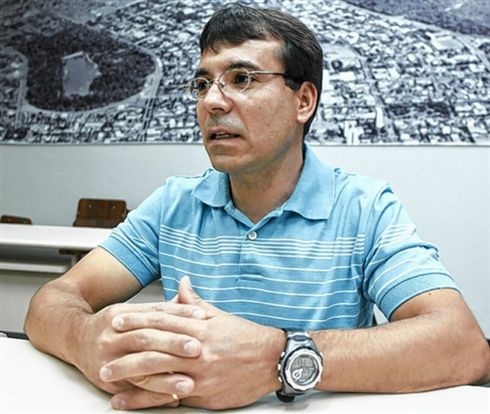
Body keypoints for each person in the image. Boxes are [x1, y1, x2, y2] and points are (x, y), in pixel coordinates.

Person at [25, 3, 489, 411]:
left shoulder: (363, 208)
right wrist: (84, 339)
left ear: (303, 100)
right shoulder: (174, 203)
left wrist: (277, 359)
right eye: (202, 83)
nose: (211, 101)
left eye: (242, 79)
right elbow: (53, 301)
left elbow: (462, 345)